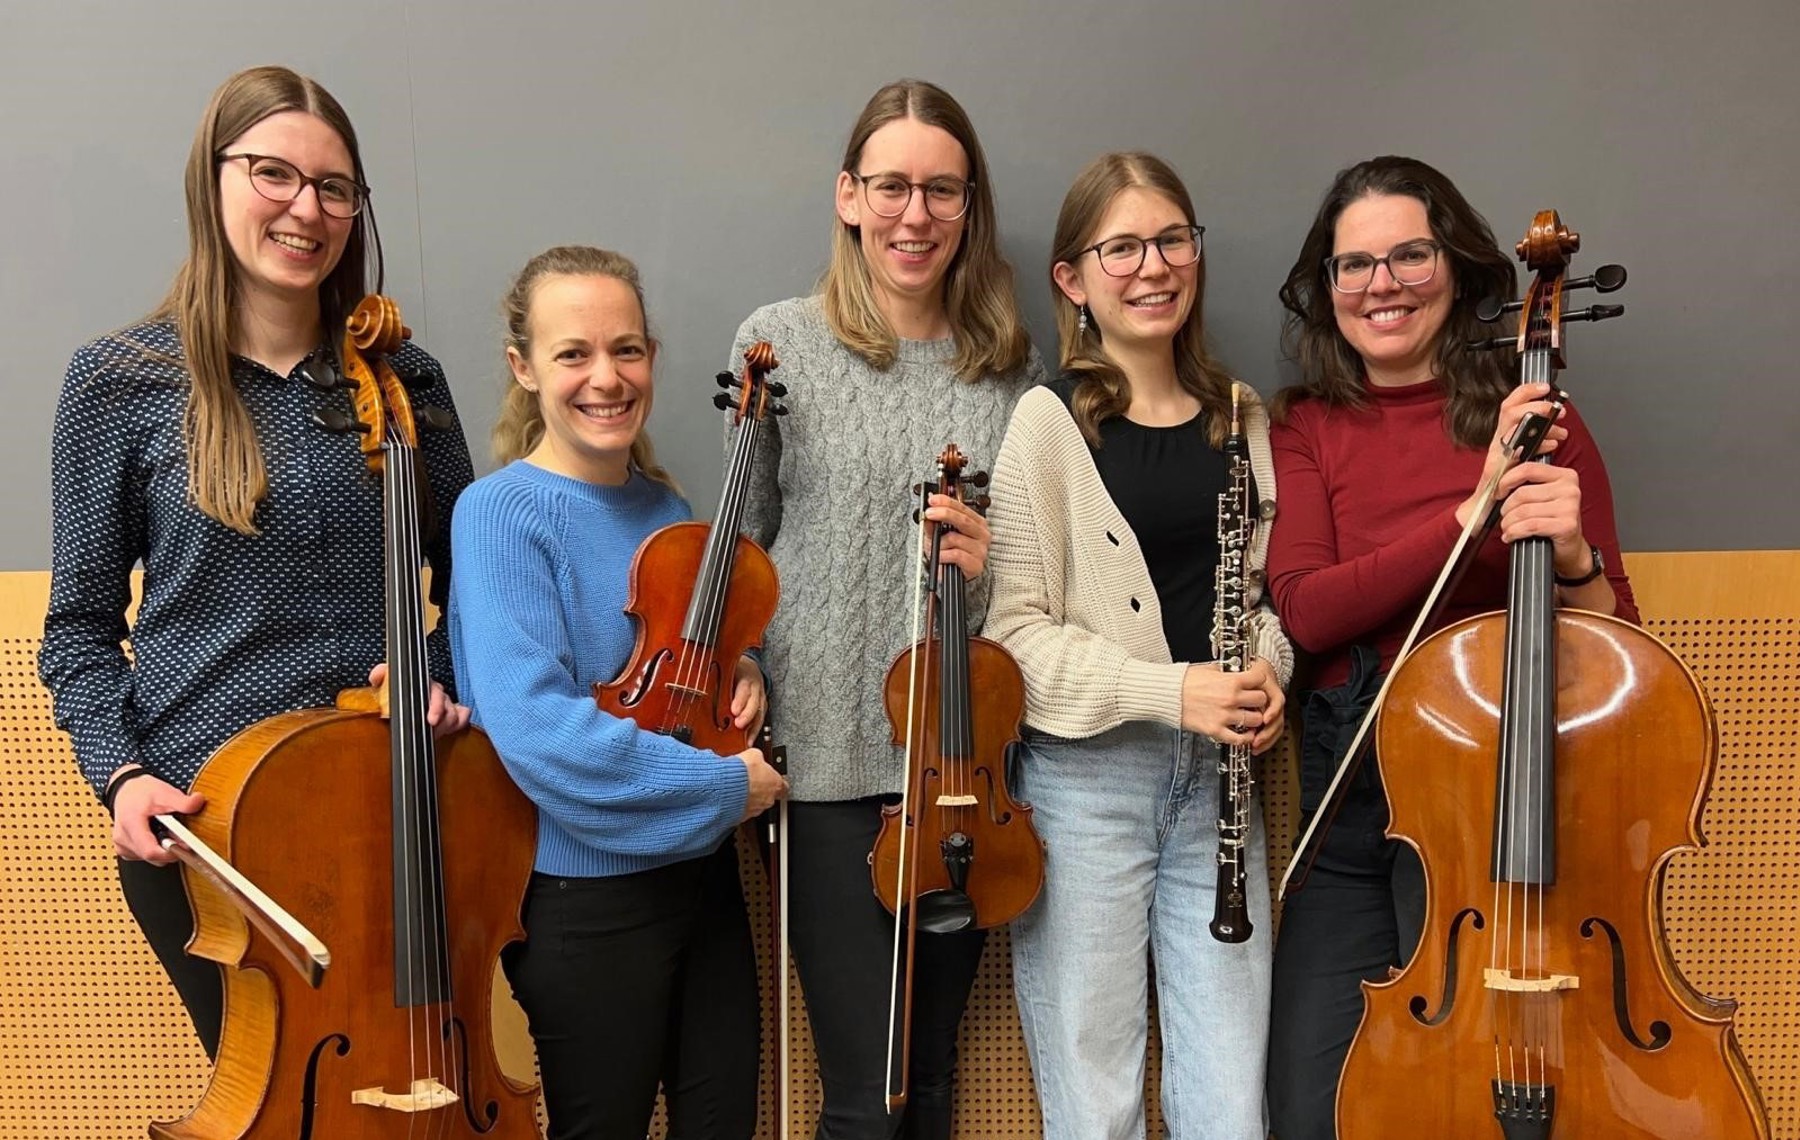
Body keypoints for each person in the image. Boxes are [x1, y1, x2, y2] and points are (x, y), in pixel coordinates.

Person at [37, 65, 473, 1059]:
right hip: (213, 821)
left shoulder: (406, 379)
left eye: (334, 188)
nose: (305, 209)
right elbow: (78, 632)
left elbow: (476, 589)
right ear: (214, 177)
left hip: (392, 809)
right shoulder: (119, 382)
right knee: (272, 1096)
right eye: (274, 173)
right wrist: (121, 777)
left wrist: (437, 678)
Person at [1263, 155, 1639, 1139]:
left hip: (1500, 823)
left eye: (1409, 256)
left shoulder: (1542, 424)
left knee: (1470, 1104)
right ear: (1327, 285)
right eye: (1354, 264)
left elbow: (1621, 653)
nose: (1381, 284)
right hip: (1351, 812)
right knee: (1310, 1110)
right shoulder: (1305, 427)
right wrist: (1474, 510)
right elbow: (1307, 611)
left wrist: (1573, 559)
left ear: (1459, 269)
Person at [728, 78, 1045, 1140]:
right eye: (893, 186)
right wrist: (745, 661)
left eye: (942, 190)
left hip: (959, 772)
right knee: (867, 1099)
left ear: (969, 206)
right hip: (823, 762)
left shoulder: (1011, 370)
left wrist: (990, 560)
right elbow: (744, 548)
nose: (917, 215)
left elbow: (1036, 581)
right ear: (849, 196)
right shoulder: (778, 342)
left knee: (932, 1083)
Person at [983, 152, 1291, 1140]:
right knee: (1094, 1102)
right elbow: (1014, 637)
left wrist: (1270, 672)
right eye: (1121, 248)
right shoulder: (1046, 424)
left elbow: (1262, 600)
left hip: (1221, 787)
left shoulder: (1242, 416)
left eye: (1171, 240)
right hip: (1087, 788)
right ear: (1073, 278)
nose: (1153, 267)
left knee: (1230, 1104)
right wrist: (1171, 691)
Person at [449, 245, 787, 1140]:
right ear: (525, 367)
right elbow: (539, 732)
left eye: (626, 349)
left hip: (703, 880)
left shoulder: (669, 511)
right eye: (574, 353)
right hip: (585, 900)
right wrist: (725, 787)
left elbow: (685, 667)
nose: (606, 378)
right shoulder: (497, 514)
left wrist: (741, 673)